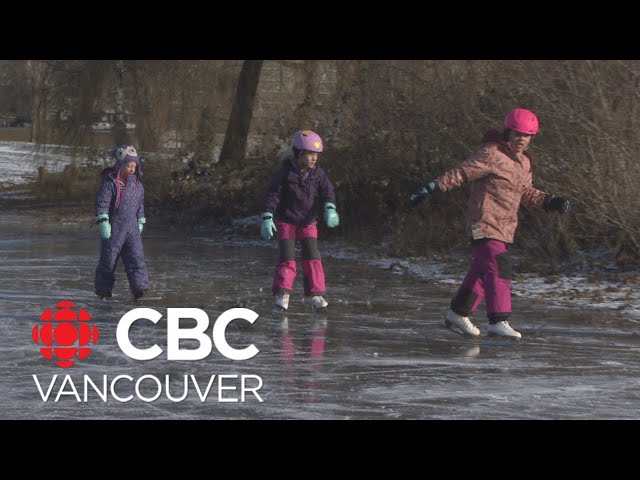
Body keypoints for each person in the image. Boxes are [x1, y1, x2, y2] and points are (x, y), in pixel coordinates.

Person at [409, 108, 570, 339]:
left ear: (532, 137)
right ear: (507, 132)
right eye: (516, 134)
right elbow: (462, 173)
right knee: (498, 264)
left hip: (504, 226)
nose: (520, 139)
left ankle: (458, 313)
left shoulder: (524, 163)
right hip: (482, 222)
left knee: (483, 269)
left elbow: (525, 191)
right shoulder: (491, 154)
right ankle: (498, 320)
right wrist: (432, 188)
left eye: (526, 135)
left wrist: (549, 201)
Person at [261, 130, 340, 314]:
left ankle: (316, 295)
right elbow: (273, 194)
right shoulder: (285, 174)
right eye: (310, 154)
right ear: (299, 154)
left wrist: (330, 207)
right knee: (287, 258)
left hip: (308, 222)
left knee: (313, 257)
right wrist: (267, 215)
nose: (314, 159)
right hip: (287, 221)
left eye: (316, 155)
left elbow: (328, 191)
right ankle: (283, 294)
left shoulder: (318, 174)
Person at [94, 144, 149, 300]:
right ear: (121, 165)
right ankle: (104, 290)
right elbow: (102, 202)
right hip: (114, 226)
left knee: (136, 257)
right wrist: (103, 219)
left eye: (134, 166)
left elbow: (141, 204)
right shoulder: (110, 182)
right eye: (129, 166)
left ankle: (140, 287)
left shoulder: (137, 185)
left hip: (132, 227)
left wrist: (141, 220)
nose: (132, 169)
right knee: (109, 259)